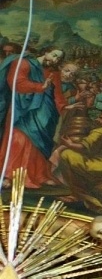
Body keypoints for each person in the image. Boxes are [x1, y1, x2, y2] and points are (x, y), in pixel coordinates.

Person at [0, 47, 66, 188]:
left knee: (40, 143)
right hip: (23, 108)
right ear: (45, 52)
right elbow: (16, 82)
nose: (55, 60)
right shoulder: (23, 63)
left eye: (58, 59)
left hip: (46, 112)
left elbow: (58, 94)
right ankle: (9, 175)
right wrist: (40, 86)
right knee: (18, 139)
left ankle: (39, 175)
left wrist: (64, 108)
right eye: (54, 55)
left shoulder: (54, 72)